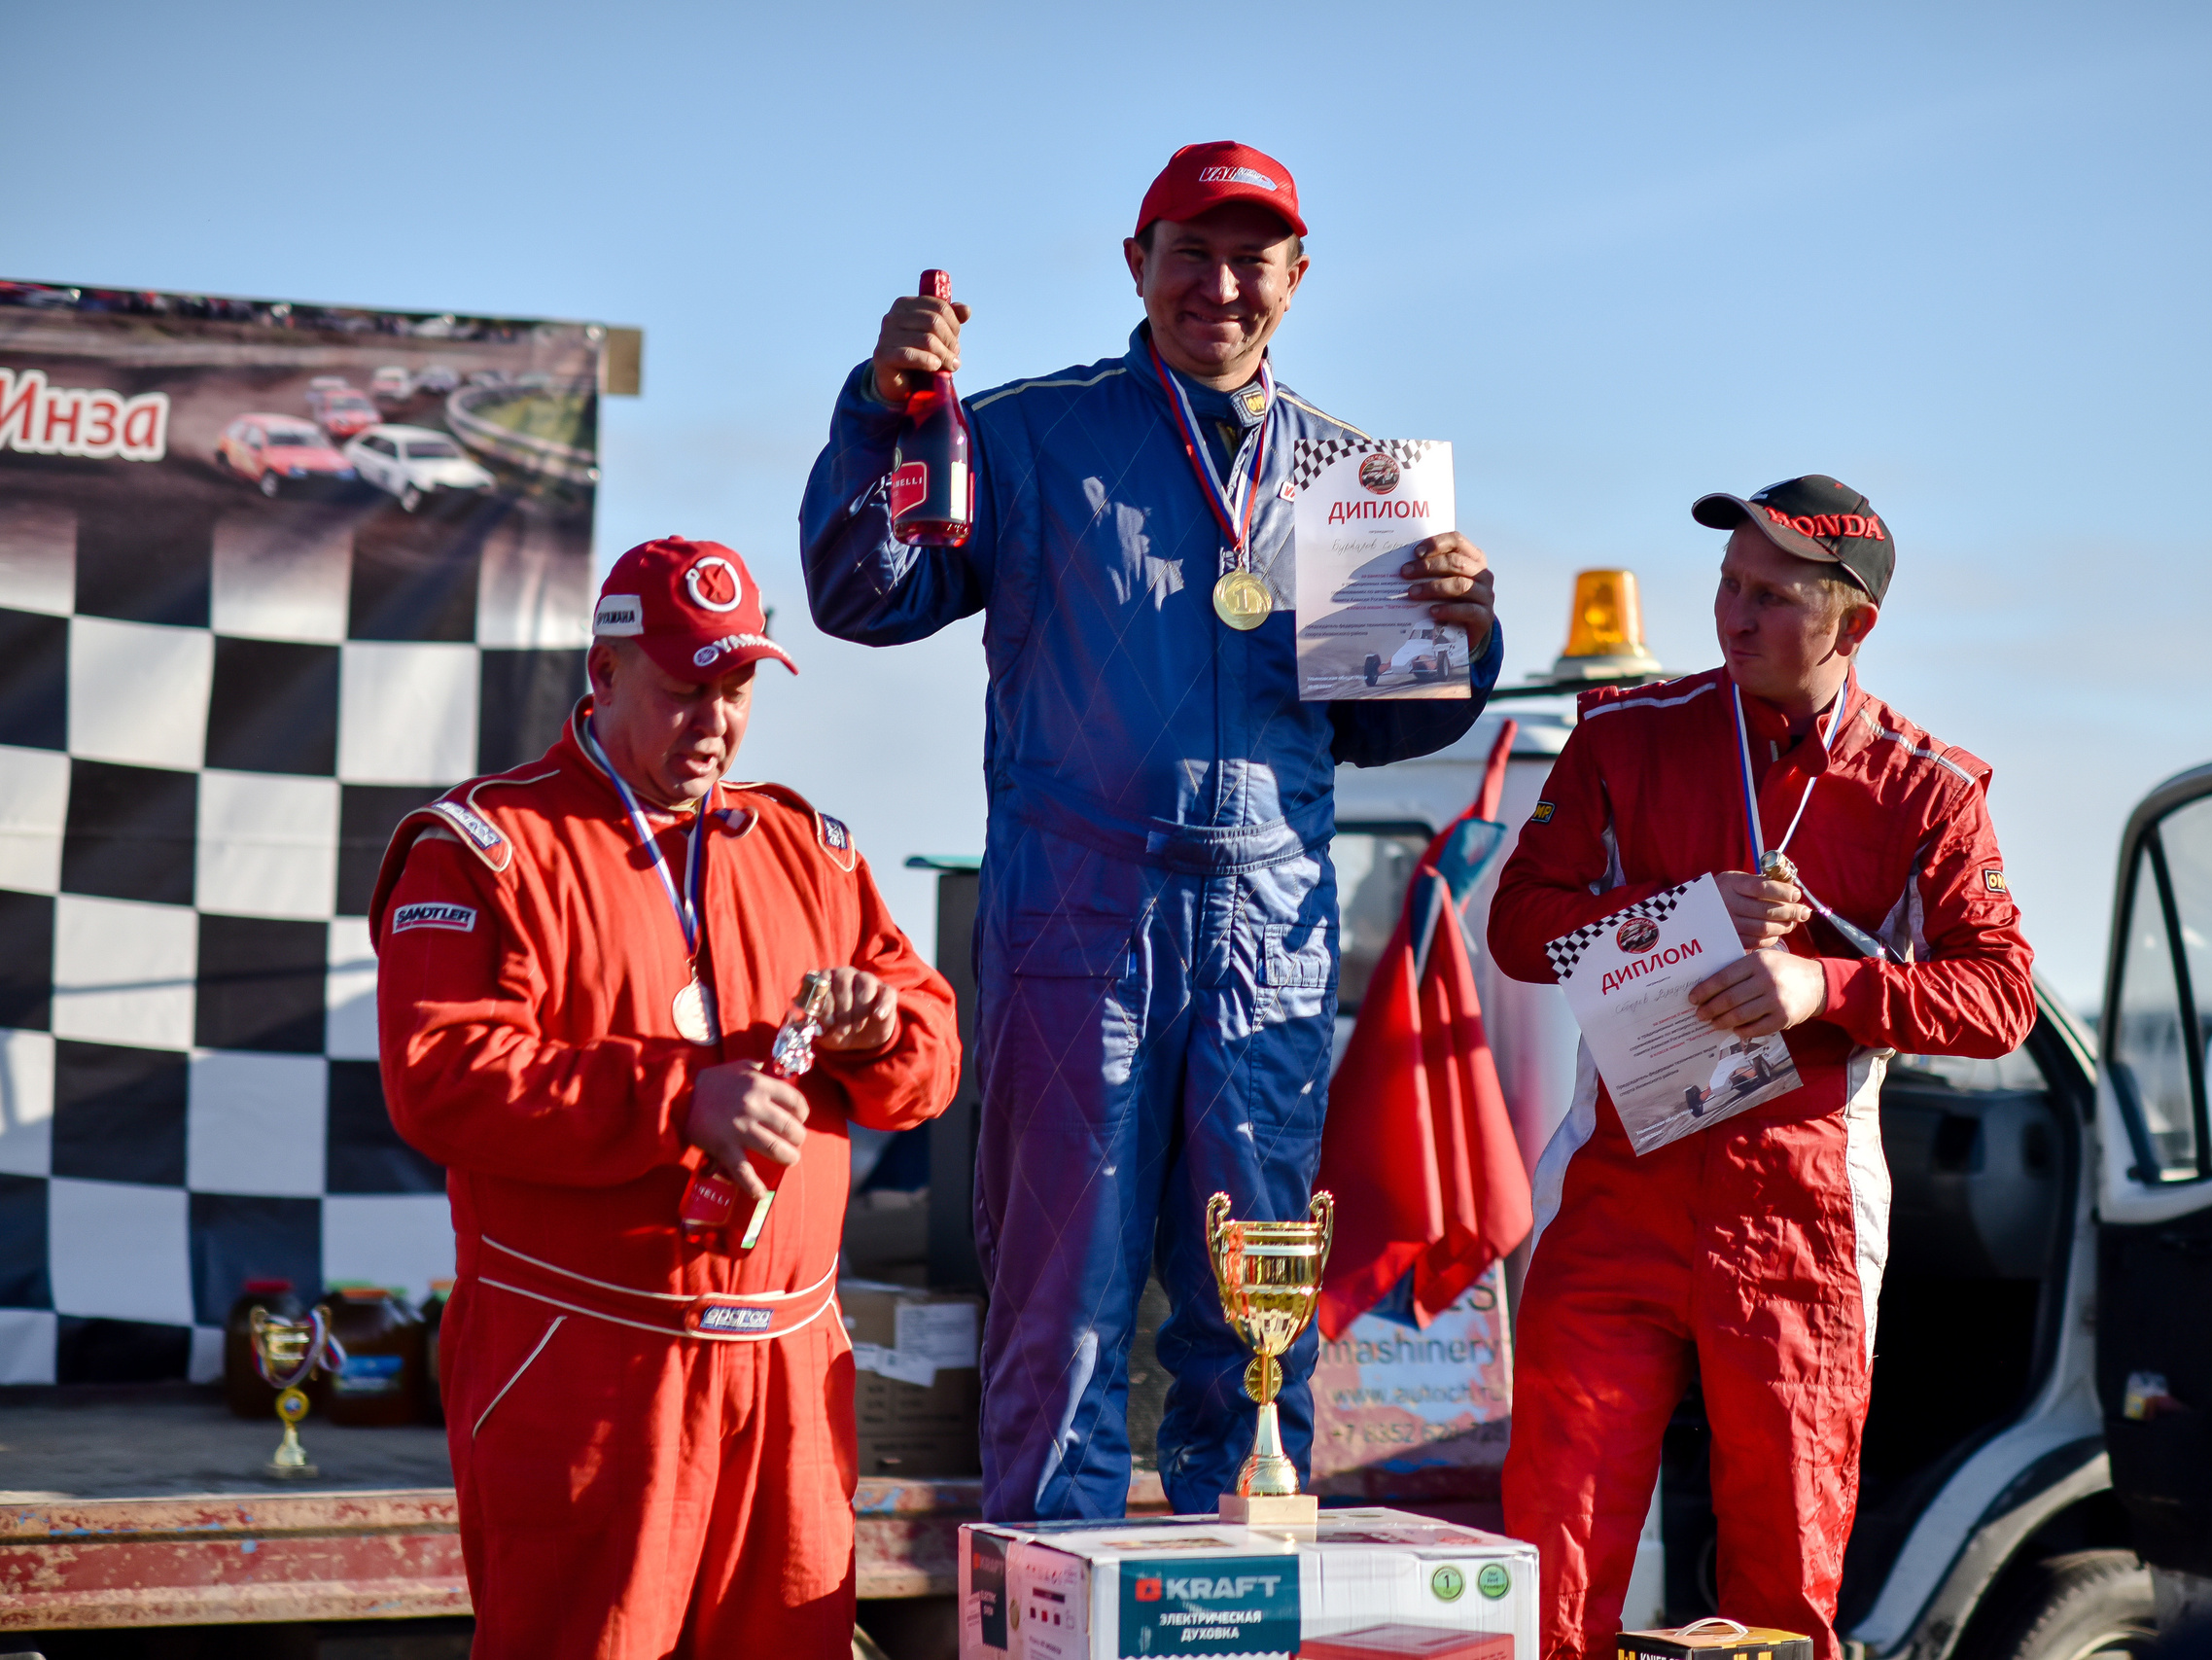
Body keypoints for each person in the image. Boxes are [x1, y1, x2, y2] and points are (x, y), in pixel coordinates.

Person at [798, 140, 1504, 1521]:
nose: (1220, 287)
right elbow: (862, 592)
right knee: (1066, 1282)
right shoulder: (1025, 432)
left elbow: (1380, 727)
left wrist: (1463, 639)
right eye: (1192, 253)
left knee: (1254, 1306)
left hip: (1273, 929)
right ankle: (1050, 1586)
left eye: (1254, 260)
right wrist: (885, 414)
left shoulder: (1357, 479)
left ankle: (1239, 1570)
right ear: (1137, 265)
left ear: (1299, 282)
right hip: (1083, 915)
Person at [371, 537, 960, 1658]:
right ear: (603, 676)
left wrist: (881, 1031)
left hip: (789, 1371)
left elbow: (929, 1065)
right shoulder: (484, 848)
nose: (715, 724)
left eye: (736, 692)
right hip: (586, 1368)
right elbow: (439, 1078)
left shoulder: (810, 848)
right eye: (686, 691)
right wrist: (677, 1098)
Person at [1487, 477, 2037, 1658]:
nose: (1734, 617)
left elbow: (2000, 998)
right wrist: (1673, 915)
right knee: (1549, 1571)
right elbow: (1519, 929)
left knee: (1782, 1600)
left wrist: (1821, 991)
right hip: (1616, 1195)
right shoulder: (1622, 735)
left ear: (1854, 624)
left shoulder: (1927, 789)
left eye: (1773, 597)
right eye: (1728, 585)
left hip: (1802, 1223)